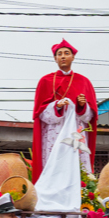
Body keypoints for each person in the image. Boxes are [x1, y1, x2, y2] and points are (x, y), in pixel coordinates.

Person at [32, 39, 98, 181]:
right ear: (55, 58)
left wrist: (82, 106)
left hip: (76, 130)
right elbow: (40, 114)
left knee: (77, 164)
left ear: (73, 57)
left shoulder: (84, 82)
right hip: (53, 132)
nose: (63, 56)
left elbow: (90, 117)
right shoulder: (45, 81)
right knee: (54, 164)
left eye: (66, 53)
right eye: (59, 54)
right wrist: (57, 106)